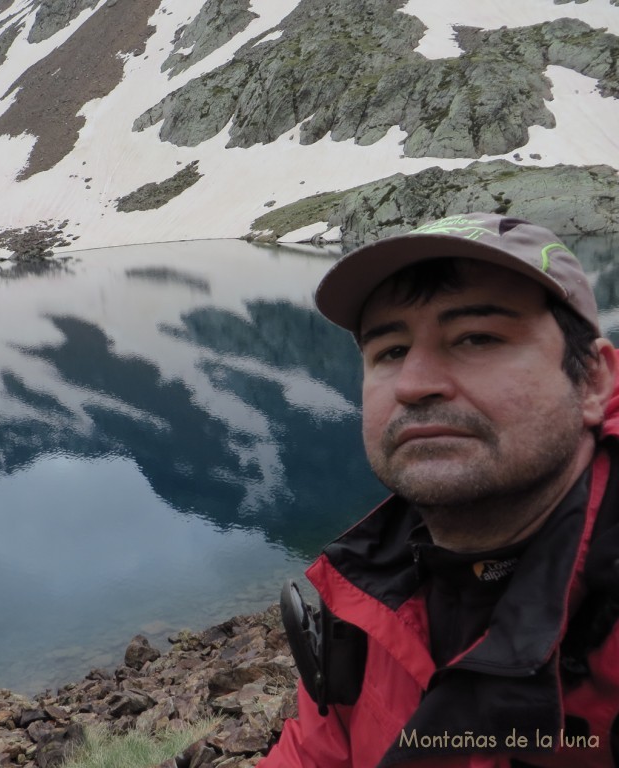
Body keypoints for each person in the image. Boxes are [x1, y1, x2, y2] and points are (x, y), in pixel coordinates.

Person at [258, 212, 619, 767]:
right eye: (391, 351)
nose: (414, 384)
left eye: (477, 337)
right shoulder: (368, 582)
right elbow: (314, 753)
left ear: (594, 379)